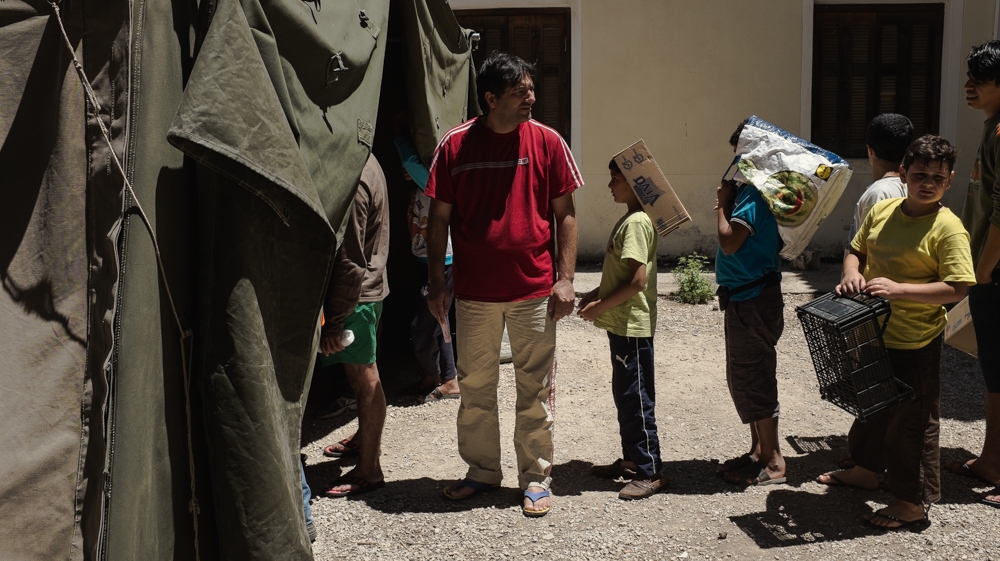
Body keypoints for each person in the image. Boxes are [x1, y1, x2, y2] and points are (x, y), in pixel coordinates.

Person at [424, 51, 582, 517]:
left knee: (533, 389)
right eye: (521, 92)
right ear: (491, 98)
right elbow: (438, 221)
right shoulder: (455, 146)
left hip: (534, 291)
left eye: (531, 89)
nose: (531, 98)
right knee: (475, 388)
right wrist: (437, 283)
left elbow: (566, 214)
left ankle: (535, 477)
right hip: (473, 293)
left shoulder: (548, 142)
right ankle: (482, 473)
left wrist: (566, 279)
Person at [828, 136, 975, 529]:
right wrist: (851, 273)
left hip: (914, 341)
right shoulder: (885, 209)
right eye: (920, 174)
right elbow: (855, 248)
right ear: (904, 174)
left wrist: (899, 289)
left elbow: (958, 287)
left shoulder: (948, 228)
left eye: (938, 178)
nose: (928, 183)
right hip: (873, 332)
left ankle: (911, 503)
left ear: (950, 180)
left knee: (912, 424)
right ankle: (865, 470)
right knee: (872, 409)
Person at [578, 159, 667, 500]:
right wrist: (595, 293)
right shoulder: (632, 220)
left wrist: (599, 307)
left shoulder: (636, 223)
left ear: (634, 184)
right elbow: (621, 275)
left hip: (632, 327)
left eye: (615, 178)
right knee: (625, 395)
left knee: (636, 398)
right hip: (624, 326)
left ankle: (651, 472)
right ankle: (633, 460)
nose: (610, 185)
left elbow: (636, 281)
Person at [829, 113, 913, 472]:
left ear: (870, 151)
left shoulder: (877, 193)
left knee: (870, 381)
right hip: (899, 302)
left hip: (874, 300)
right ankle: (875, 457)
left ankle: (867, 462)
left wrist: (851, 276)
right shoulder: (912, 188)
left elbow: (858, 248)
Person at [714, 119, 787, 487]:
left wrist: (722, 205)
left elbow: (730, 242)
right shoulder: (753, 192)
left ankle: (773, 460)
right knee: (744, 375)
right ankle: (758, 451)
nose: (738, 163)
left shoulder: (756, 196)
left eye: (742, 156)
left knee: (755, 375)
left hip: (754, 300)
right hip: (746, 298)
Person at [318, 154, 391, 497]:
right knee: (358, 374)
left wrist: (334, 322)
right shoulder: (366, 159)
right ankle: (363, 441)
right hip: (365, 292)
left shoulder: (354, 175)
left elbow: (350, 258)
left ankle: (370, 469)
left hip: (356, 298)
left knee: (364, 378)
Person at [953, 40, 1000, 509]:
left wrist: (983, 270)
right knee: (994, 372)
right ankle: (991, 459)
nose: (970, 86)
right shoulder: (992, 130)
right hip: (990, 271)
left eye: (980, 79)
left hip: (996, 273)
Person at [392, 114, 460, 402]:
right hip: (429, 259)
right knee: (439, 320)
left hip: (440, 262)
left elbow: (410, 162)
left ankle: (436, 374)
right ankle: (448, 377)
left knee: (422, 328)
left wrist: (398, 135)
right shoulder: (427, 180)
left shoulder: (436, 180)